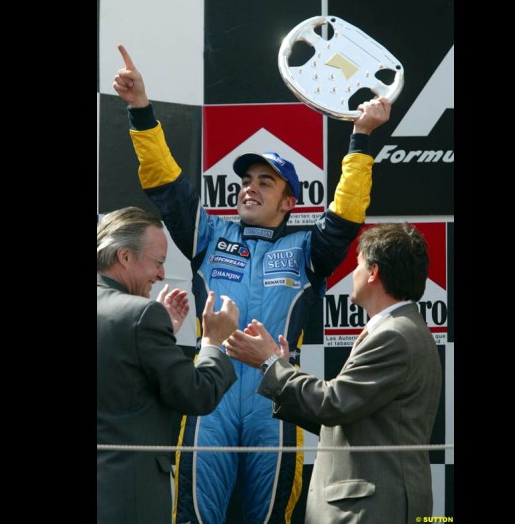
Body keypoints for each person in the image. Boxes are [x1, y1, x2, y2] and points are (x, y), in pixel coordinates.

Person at [112, 43, 392, 524]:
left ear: (289, 203)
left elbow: (347, 212)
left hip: (274, 399)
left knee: (268, 516)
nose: (250, 186)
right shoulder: (209, 234)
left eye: (266, 182)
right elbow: (165, 182)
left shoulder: (309, 248)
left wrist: (361, 138)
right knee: (195, 514)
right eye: (246, 179)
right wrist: (141, 110)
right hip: (211, 393)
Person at [225, 222, 442, 523]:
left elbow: (334, 403)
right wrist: (280, 367)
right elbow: (345, 416)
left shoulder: (394, 334)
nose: (351, 274)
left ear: (373, 273)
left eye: (357, 265)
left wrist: (269, 364)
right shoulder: (401, 329)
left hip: (372, 509)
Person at [97, 206, 242, 524]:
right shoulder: (140, 316)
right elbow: (197, 394)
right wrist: (213, 342)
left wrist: (158, 334)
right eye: (158, 263)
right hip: (129, 497)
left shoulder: (138, 319)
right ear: (125, 257)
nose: (162, 275)